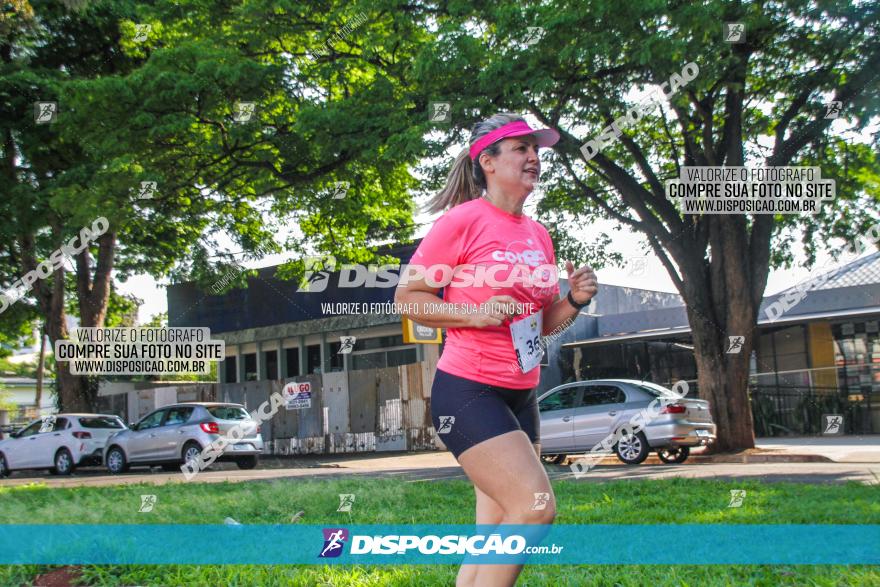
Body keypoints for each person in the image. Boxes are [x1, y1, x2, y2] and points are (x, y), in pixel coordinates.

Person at [394, 112, 598, 586]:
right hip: (469, 390)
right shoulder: (463, 221)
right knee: (535, 507)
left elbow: (538, 325)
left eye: (537, 149)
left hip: (521, 393)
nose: (534, 157)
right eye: (521, 148)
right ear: (487, 160)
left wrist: (573, 300)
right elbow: (408, 299)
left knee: (494, 531)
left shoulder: (538, 234)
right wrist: (474, 314)